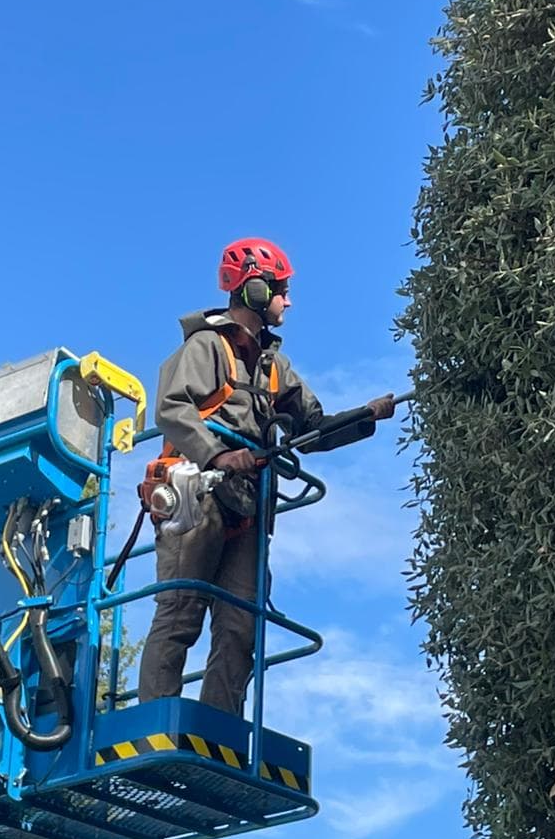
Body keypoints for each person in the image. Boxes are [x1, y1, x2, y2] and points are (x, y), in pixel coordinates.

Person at [138, 237, 396, 717]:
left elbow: (312, 429)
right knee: (181, 611)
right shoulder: (206, 346)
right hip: (197, 495)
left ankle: (218, 731)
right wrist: (217, 455)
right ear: (253, 288)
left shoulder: (275, 368)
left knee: (241, 624)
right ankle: (154, 720)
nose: (288, 301)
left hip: (248, 505)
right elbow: (173, 408)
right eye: (281, 290)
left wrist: (366, 417)